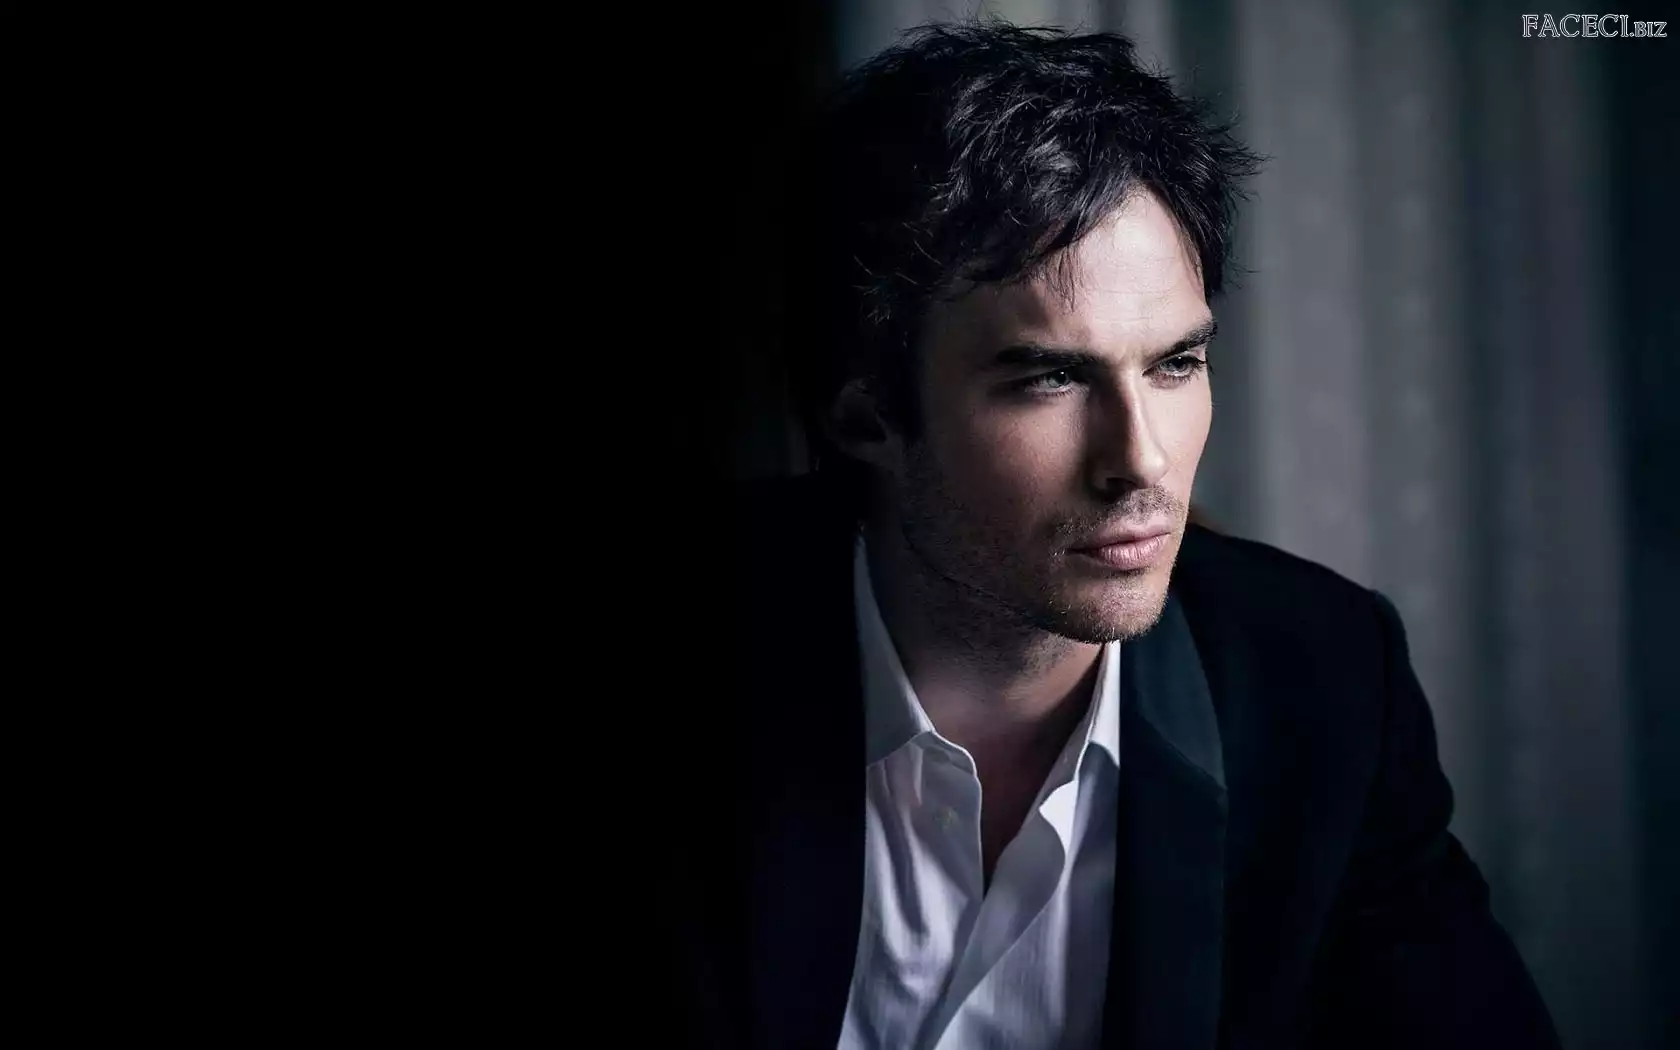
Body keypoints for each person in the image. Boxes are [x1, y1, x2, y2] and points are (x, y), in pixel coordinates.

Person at [668, 21, 1560, 1050]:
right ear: (866, 416)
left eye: (1176, 364)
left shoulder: (1321, 688)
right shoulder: (693, 657)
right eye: (1050, 378)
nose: (1142, 460)